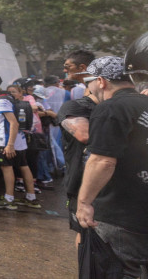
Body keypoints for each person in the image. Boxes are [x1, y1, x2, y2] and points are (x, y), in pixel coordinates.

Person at [76, 56, 148, 277]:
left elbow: (103, 161)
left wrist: (84, 203)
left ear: (101, 81)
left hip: (121, 216)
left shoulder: (111, 108)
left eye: (88, 81)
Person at [0, 74, 40, 210]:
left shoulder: (1, 99)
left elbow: (13, 123)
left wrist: (9, 144)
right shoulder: (5, 96)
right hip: (18, 139)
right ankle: (31, 198)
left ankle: (9, 199)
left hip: (8, 140)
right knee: (23, 166)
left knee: (6, 167)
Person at [56, 78, 97, 249]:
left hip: (121, 187)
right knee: (85, 234)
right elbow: (84, 135)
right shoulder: (76, 106)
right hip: (81, 184)